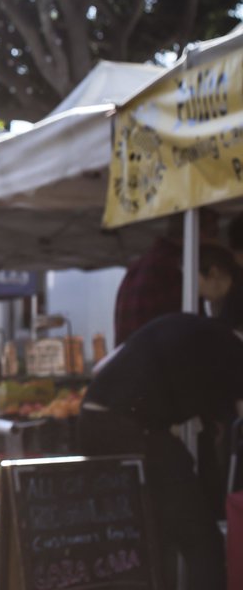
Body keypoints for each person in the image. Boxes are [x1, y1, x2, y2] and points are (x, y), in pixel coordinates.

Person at [79, 313, 243, 590]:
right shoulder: (232, 350)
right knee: (201, 540)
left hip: (92, 420)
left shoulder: (193, 327)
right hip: (132, 430)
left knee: (149, 537)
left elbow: (102, 368)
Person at [114, 209, 220, 346]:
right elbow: (195, 332)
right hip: (161, 362)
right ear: (199, 234)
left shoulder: (139, 266)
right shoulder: (180, 269)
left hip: (133, 362)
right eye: (215, 235)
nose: (217, 243)